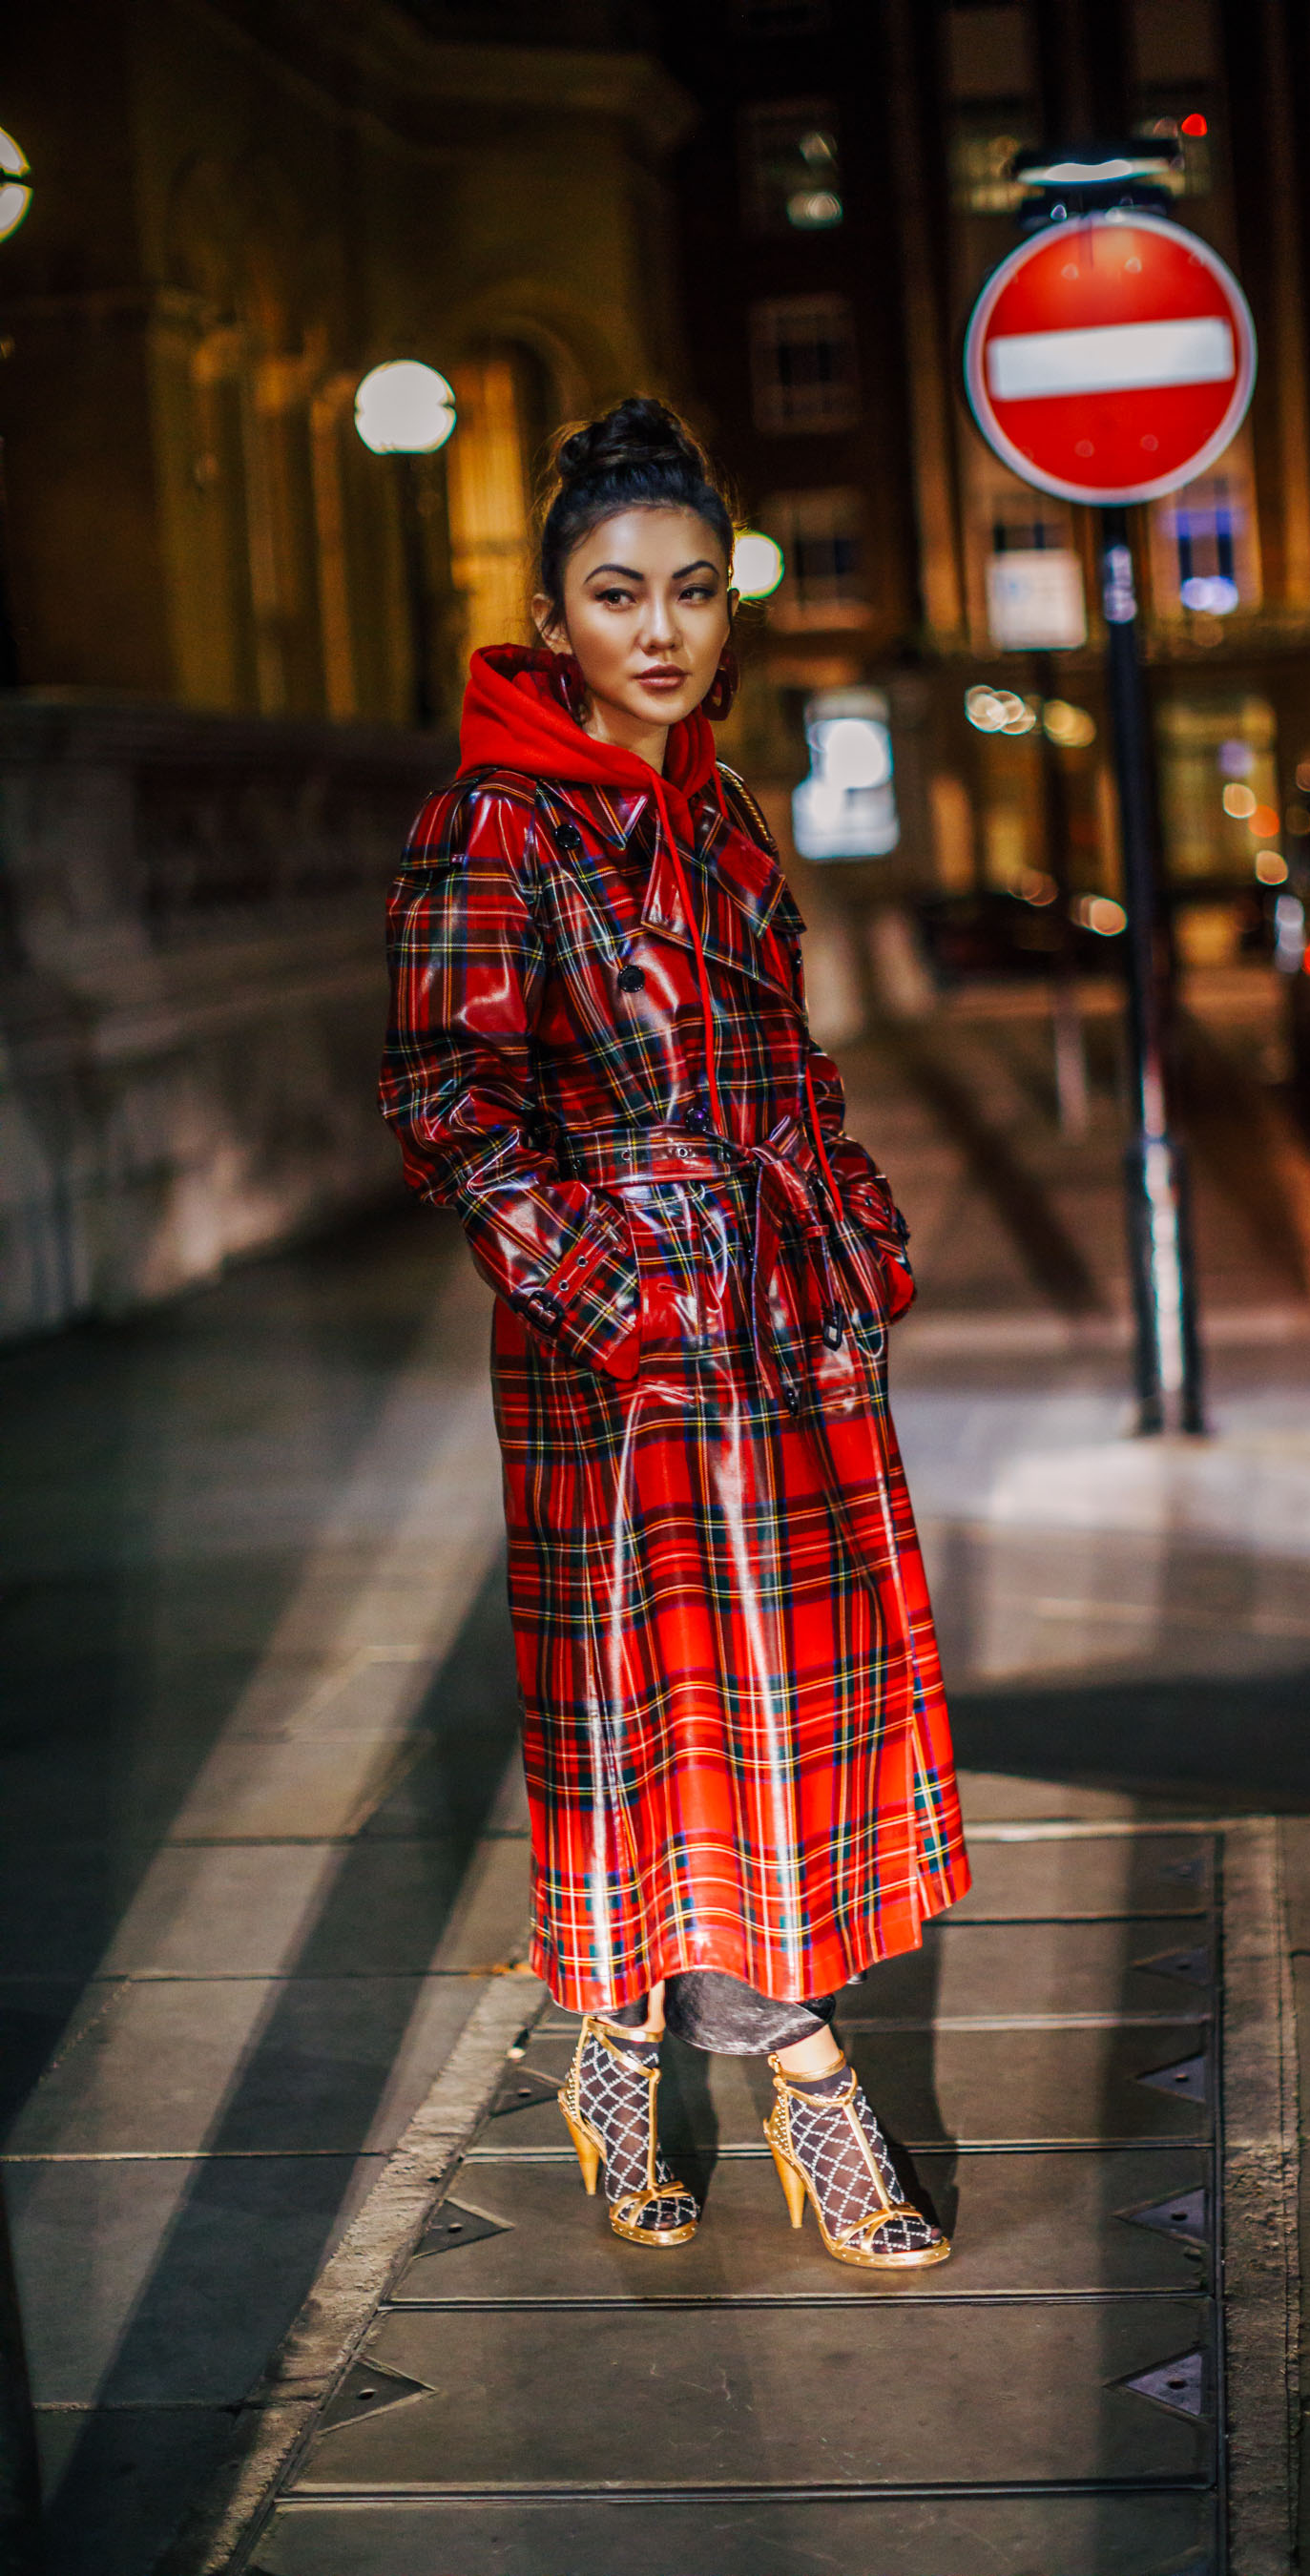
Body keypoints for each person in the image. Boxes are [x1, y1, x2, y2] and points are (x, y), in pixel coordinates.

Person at [381, 397, 968, 2272]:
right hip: (621, 1367)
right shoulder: (498, 815)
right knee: (642, 1725)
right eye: (616, 593)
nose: (659, 628)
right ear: (552, 619)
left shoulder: (710, 807)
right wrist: (614, 1293)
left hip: (787, 1344)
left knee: (782, 1725)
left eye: (693, 593)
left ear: (727, 614)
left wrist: (853, 1227)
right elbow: (447, 1093)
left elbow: (778, 1064)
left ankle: (761, 2051)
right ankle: (651, 2046)